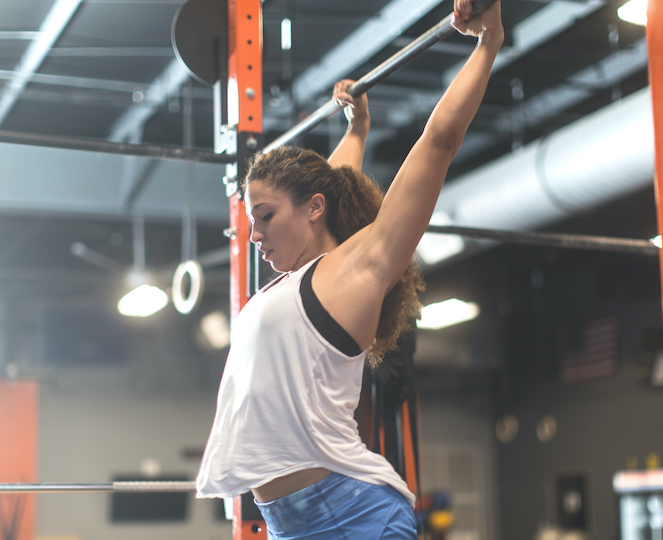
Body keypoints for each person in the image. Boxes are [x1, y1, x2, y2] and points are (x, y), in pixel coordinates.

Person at [196, 1, 503, 538]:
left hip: (353, 515)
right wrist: (357, 126)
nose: (255, 235)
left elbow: (437, 143)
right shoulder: (297, 279)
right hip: (289, 523)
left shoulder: (355, 271)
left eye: (265, 217)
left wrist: (488, 41)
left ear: (313, 209)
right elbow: (335, 179)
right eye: (252, 222)